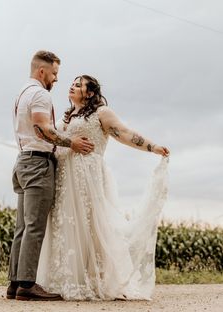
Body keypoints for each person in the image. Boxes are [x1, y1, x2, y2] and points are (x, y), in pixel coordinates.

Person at [36, 75, 170, 300]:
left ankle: (93, 279)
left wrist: (153, 147)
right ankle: (66, 279)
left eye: (79, 84)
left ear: (89, 93)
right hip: (64, 177)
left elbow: (125, 133)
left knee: (89, 225)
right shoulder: (67, 116)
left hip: (87, 175)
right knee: (65, 224)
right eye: (73, 82)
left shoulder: (101, 112)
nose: (73, 85)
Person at [7, 52, 94, 301]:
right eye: (55, 73)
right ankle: (27, 285)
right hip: (37, 163)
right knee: (34, 227)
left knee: (22, 227)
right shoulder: (40, 94)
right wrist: (71, 142)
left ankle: (14, 284)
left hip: (22, 161)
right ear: (42, 71)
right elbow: (42, 128)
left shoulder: (22, 93)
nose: (56, 79)